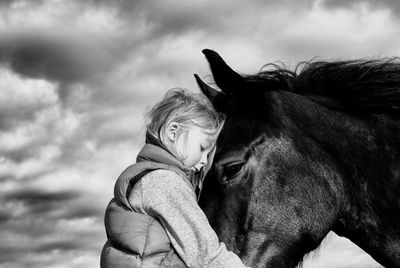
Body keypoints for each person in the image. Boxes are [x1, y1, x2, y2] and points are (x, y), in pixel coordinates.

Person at [100, 88, 249, 267]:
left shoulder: (145, 177)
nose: (203, 161)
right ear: (173, 132)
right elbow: (206, 254)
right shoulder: (164, 182)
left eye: (208, 155)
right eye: (202, 148)